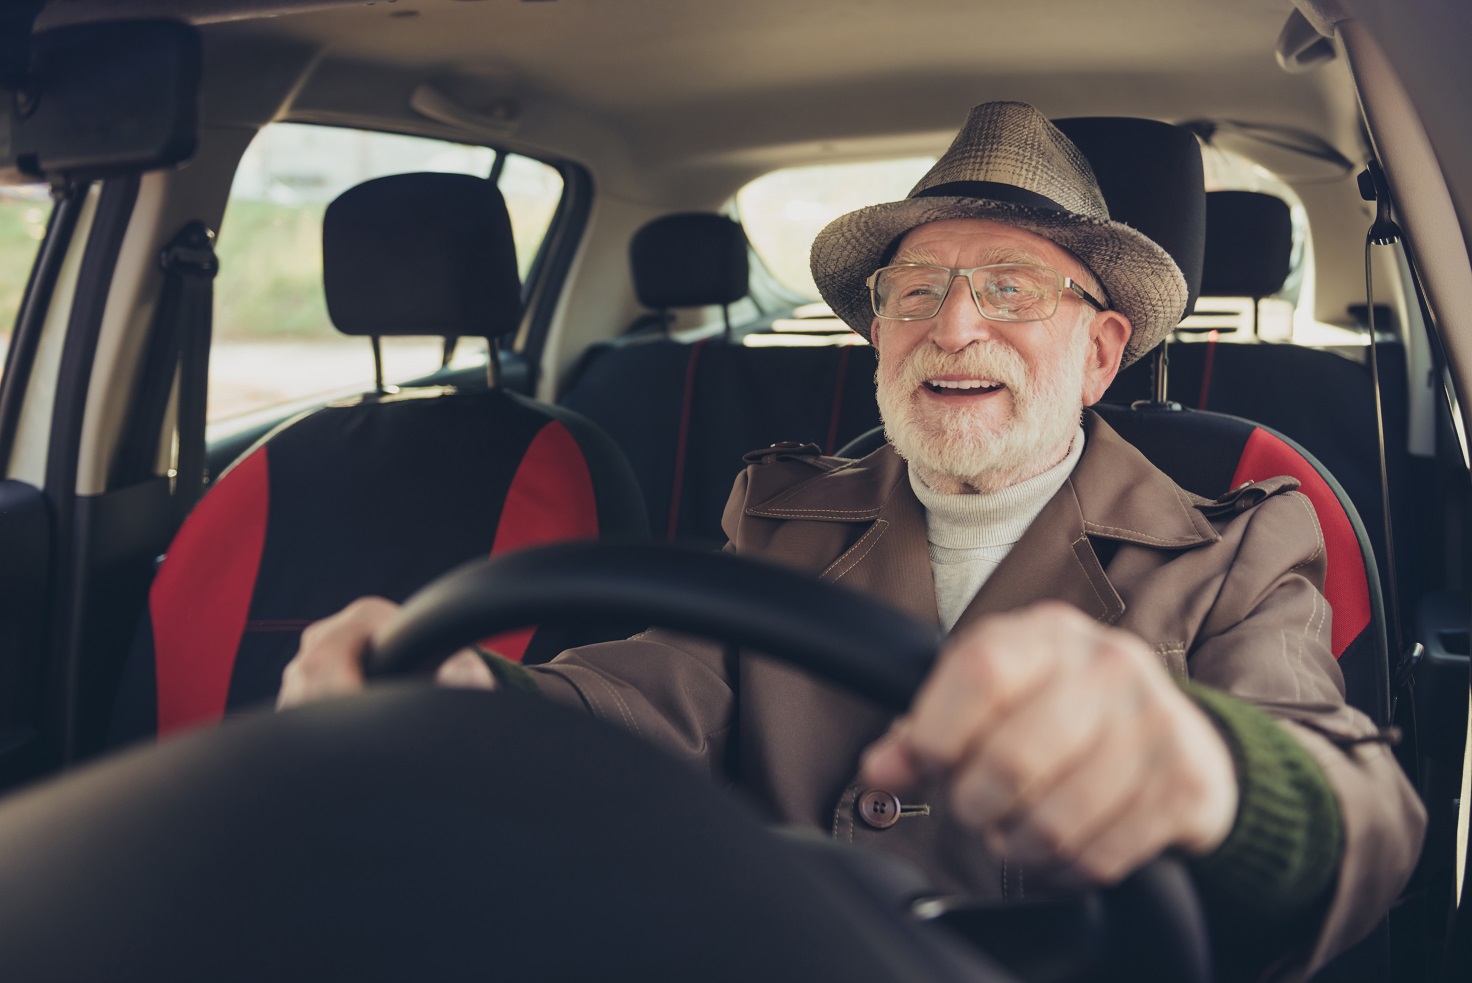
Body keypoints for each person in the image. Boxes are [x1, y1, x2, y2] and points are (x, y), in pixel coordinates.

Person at [278, 102, 1424, 981]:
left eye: (1011, 287)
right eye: (912, 289)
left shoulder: (1238, 536)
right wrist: (470, 696)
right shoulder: (776, 506)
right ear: (877, 335)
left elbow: (1362, 808)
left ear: (1099, 352)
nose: (952, 323)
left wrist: (1211, 772)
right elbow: (650, 691)